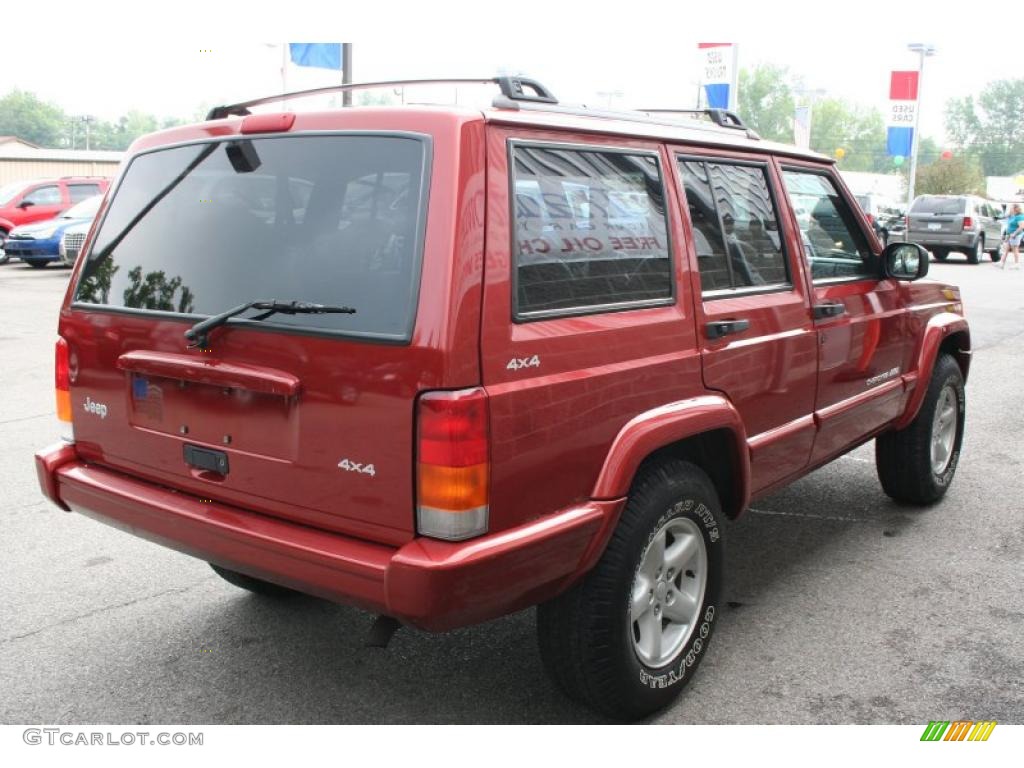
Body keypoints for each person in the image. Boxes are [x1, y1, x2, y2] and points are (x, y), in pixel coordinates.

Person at [1002, 203, 1024, 270]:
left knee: (1015, 248)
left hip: (1016, 235)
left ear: (1015, 209)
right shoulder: (1013, 215)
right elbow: (1005, 217)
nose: (1010, 209)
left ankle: (1017, 264)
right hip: (1010, 234)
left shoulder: (1020, 216)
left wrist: (1014, 234)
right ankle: (1001, 262)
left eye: (1011, 208)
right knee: (1006, 248)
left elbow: (1021, 227)